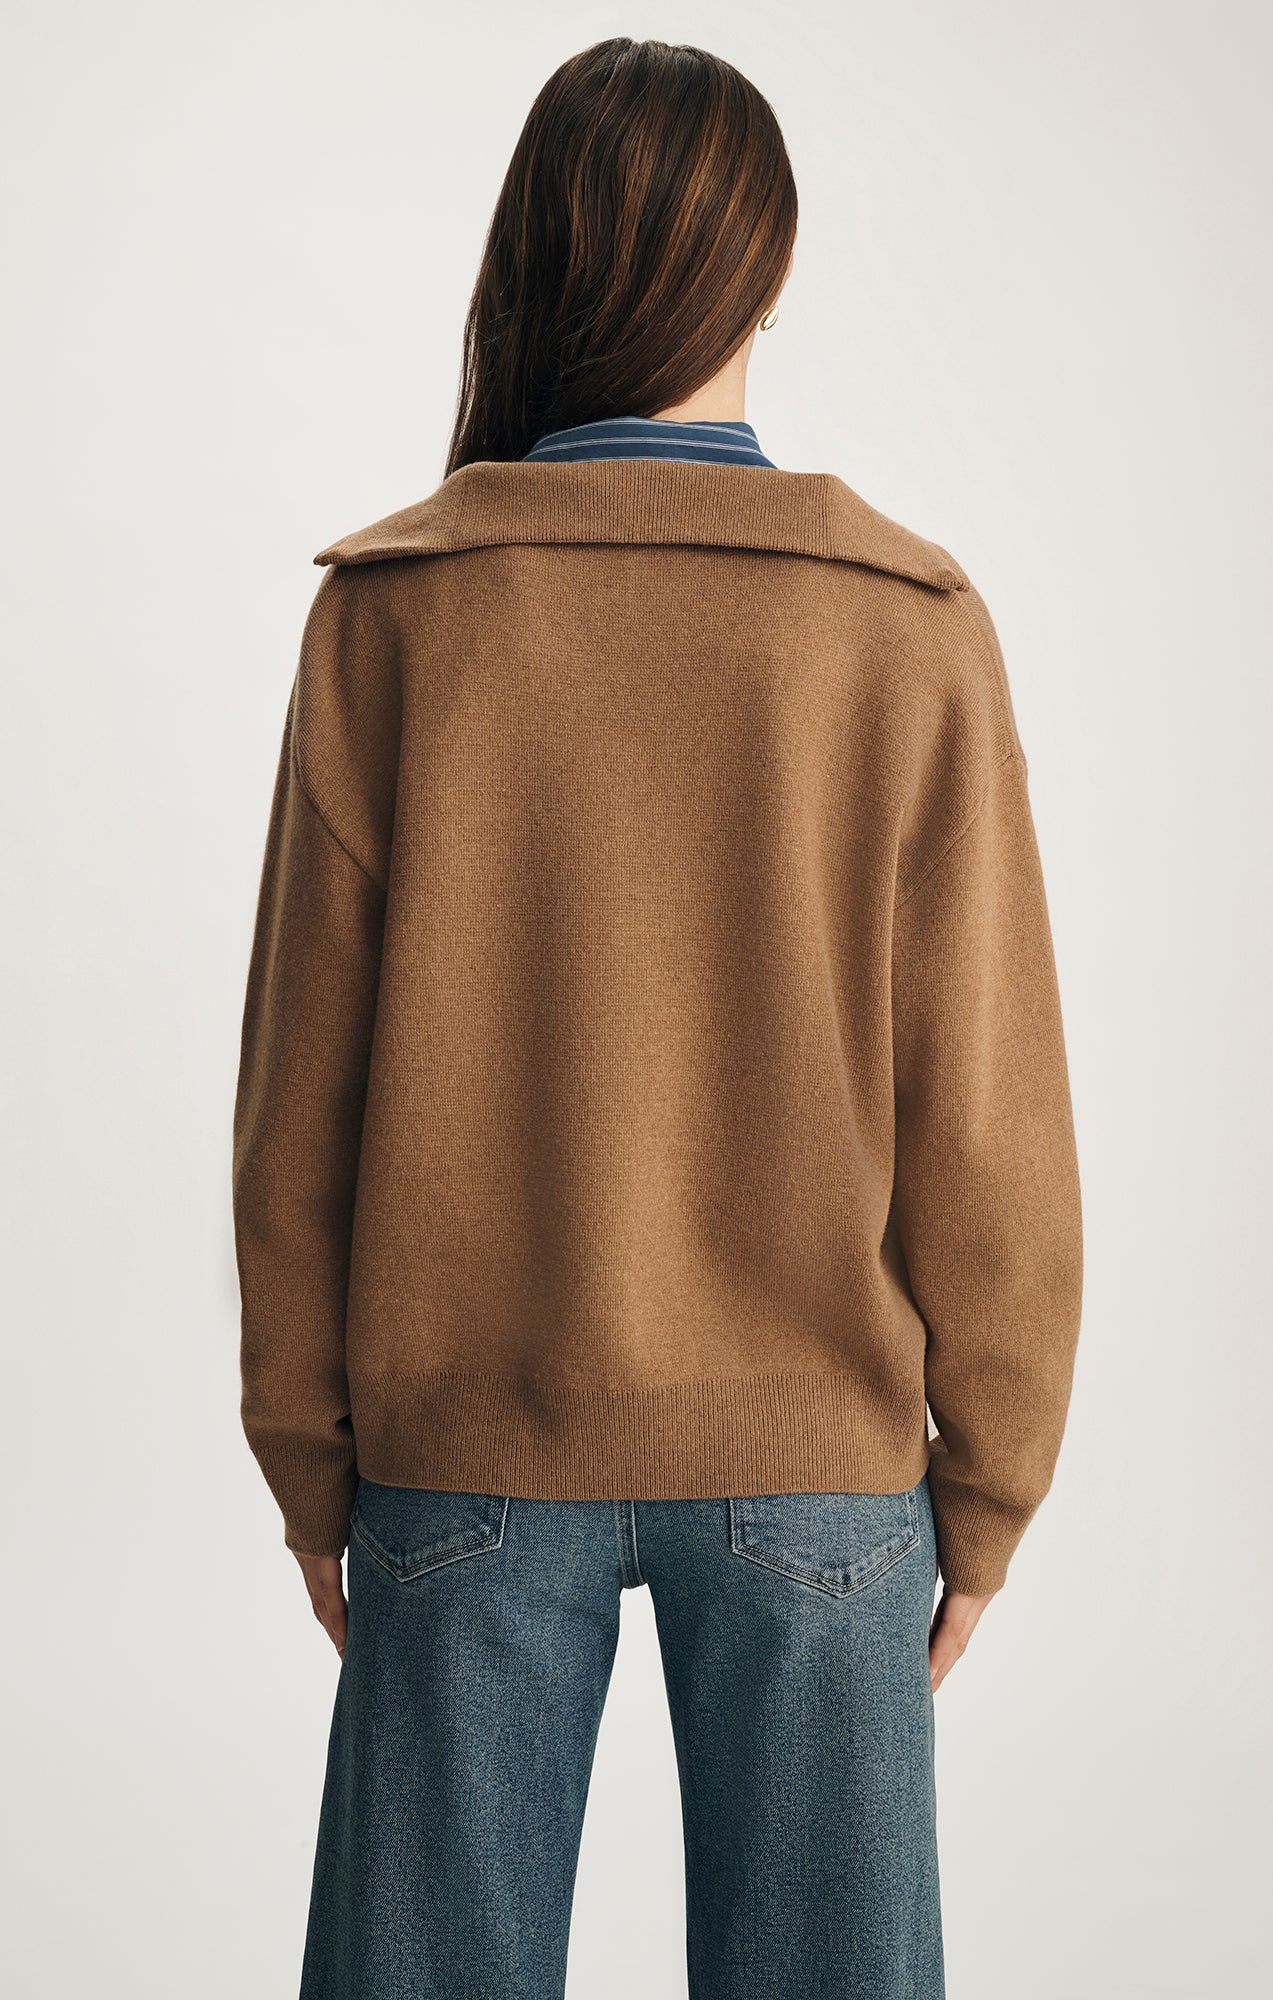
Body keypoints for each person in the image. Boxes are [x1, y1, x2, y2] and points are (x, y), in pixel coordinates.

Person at [231, 36, 1082, 2000]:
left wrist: (307, 1452)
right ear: (766, 276)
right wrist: (991, 1482)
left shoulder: (394, 612)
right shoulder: (903, 627)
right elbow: (988, 1117)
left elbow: (298, 1112)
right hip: (817, 1470)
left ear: (530, 265)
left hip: (461, 1451)